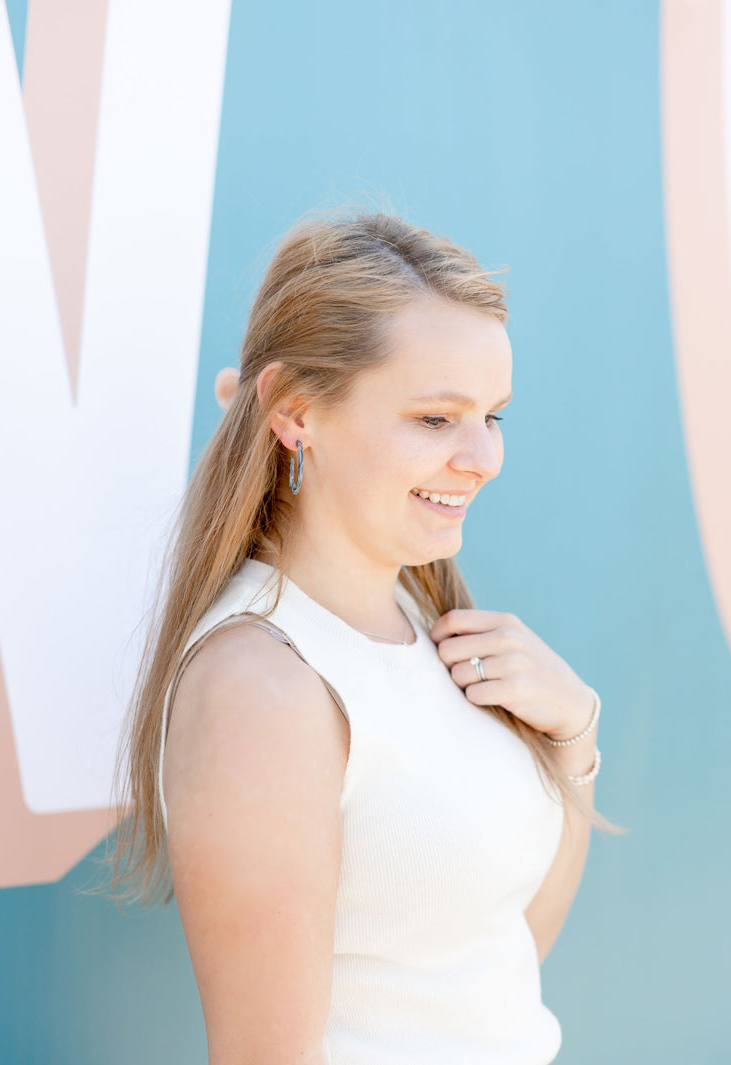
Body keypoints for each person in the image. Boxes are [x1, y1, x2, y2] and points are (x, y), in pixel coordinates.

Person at [111, 209, 618, 1065]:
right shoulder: (261, 686)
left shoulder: (431, 630)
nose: (484, 455)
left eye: (493, 415)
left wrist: (575, 739)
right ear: (294, 412)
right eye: (434, 419)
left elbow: (494, 965)